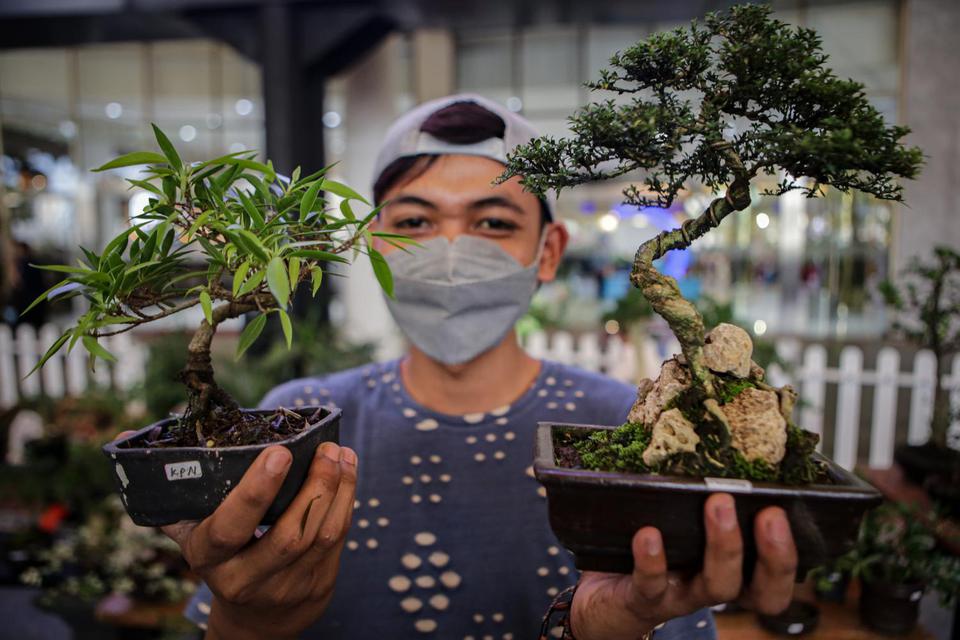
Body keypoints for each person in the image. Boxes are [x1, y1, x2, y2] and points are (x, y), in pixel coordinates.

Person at [169, 94, 798, 640]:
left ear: (548, 252)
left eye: (493, 221)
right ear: (372, 240)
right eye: (414, 221)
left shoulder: (625, 424)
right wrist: (251, 622)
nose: (450, 252)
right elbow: (228, 618)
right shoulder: (304, 420)